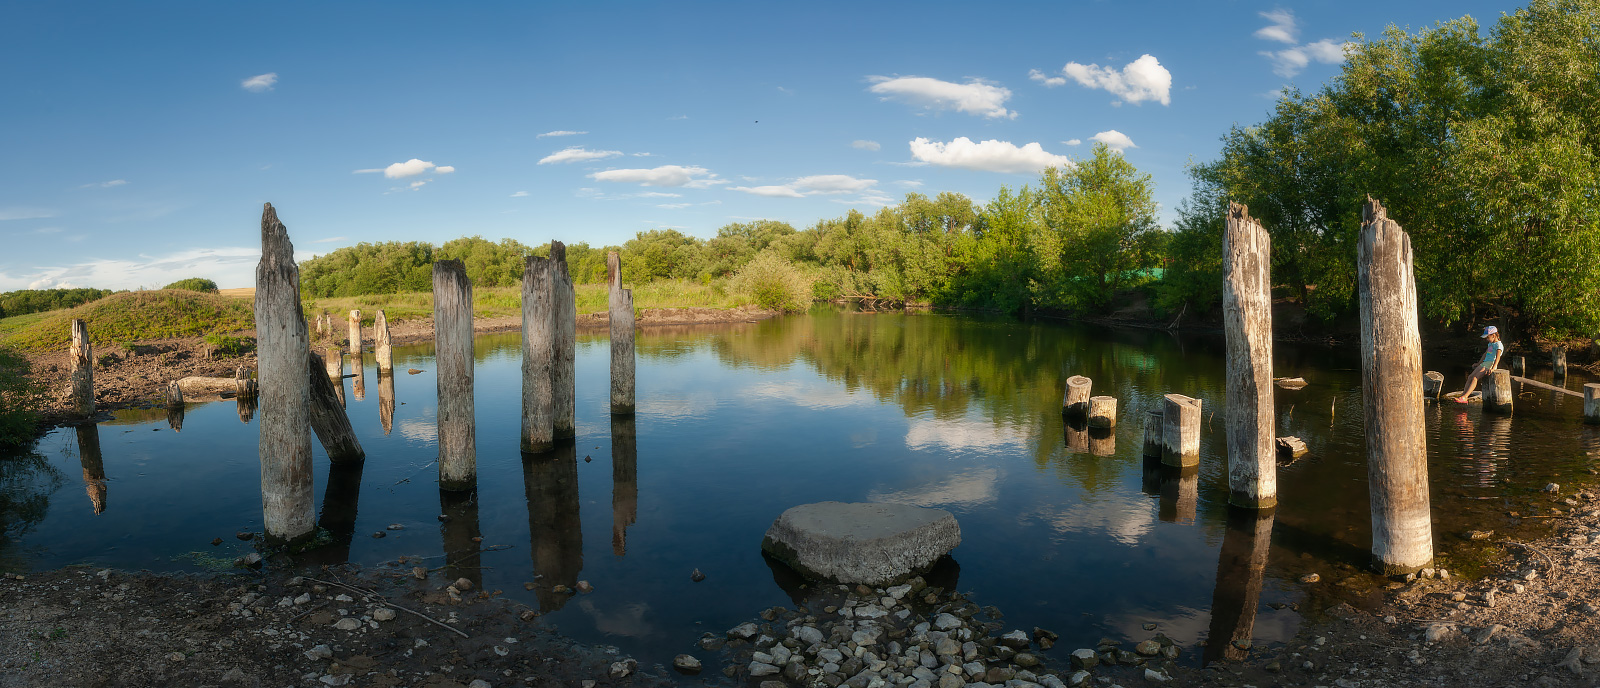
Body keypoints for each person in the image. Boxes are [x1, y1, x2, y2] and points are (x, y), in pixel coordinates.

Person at [1455, 325, 1504, 403]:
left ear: (1493, 335)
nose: (1487, 339)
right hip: (1485, 363)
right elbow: (1486, 354)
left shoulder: (1498, 345)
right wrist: (1478, 363)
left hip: (1490, 364)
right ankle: (1463, 396)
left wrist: (1494, 368)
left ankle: (1465, 397)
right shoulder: (1490, 344)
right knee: (1470, 377)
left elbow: (1498, 357)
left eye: (1487, 337)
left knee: (1475, 378)